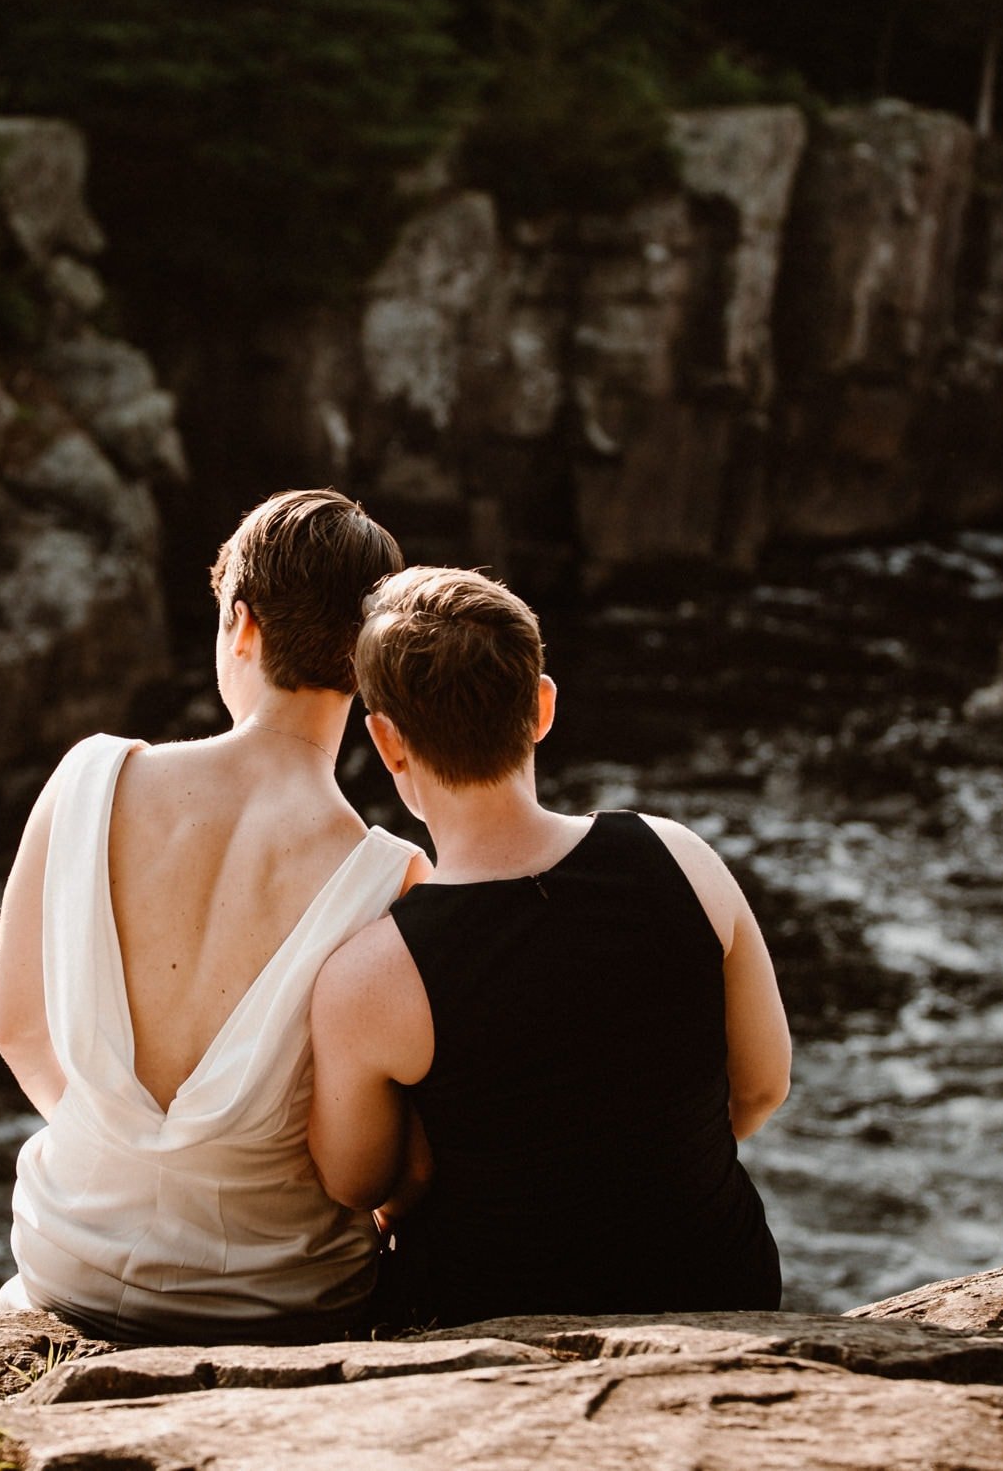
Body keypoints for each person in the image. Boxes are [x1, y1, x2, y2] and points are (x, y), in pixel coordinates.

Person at [0, 490, 426, 1342]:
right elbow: (388, 1168)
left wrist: (124, 1157)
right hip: (284, 1297)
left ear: (241, 620)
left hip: (72, 1261)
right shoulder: (396, 879)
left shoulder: (89, 780)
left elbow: (16, 1026)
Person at [307, 565, 791, 1328]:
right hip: (723, 1285)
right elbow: (763, 1086)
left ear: (387, 741)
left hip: (496, 1322)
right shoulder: (683, 858)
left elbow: (356, 1182)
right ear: (541, 707)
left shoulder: (372, 976)